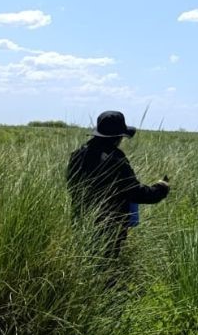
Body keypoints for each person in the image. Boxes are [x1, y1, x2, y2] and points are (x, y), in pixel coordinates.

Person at [66, 110, 171, 261]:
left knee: (84, 261)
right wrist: (160, 189)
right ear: (117, 137)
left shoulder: (78, 154)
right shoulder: (115, 159)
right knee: (106, 270)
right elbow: (134, 192)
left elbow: (72, 186)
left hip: (80, 221)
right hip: (109, 227)